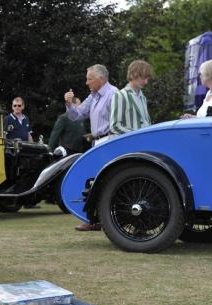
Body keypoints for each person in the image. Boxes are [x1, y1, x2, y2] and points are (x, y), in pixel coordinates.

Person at [64, 64, 118, 230]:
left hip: (110, 140)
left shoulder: (113, 94)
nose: (87, 83)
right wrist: (69, 103)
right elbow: (77, 115)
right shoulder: (93, 96)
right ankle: (94, 219)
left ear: (101, 78)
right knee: (95, 181)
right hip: (97, 143)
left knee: (107, 181)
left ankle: (107, 220)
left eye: (89, 79)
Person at [110, 60, 153, 135]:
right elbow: (115, 126)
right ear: (133, 74)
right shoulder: (120, 95)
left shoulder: (143, 97)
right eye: (143, 78)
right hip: (130, 144)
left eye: (147, 79)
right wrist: (136, 135)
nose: (146, 82)